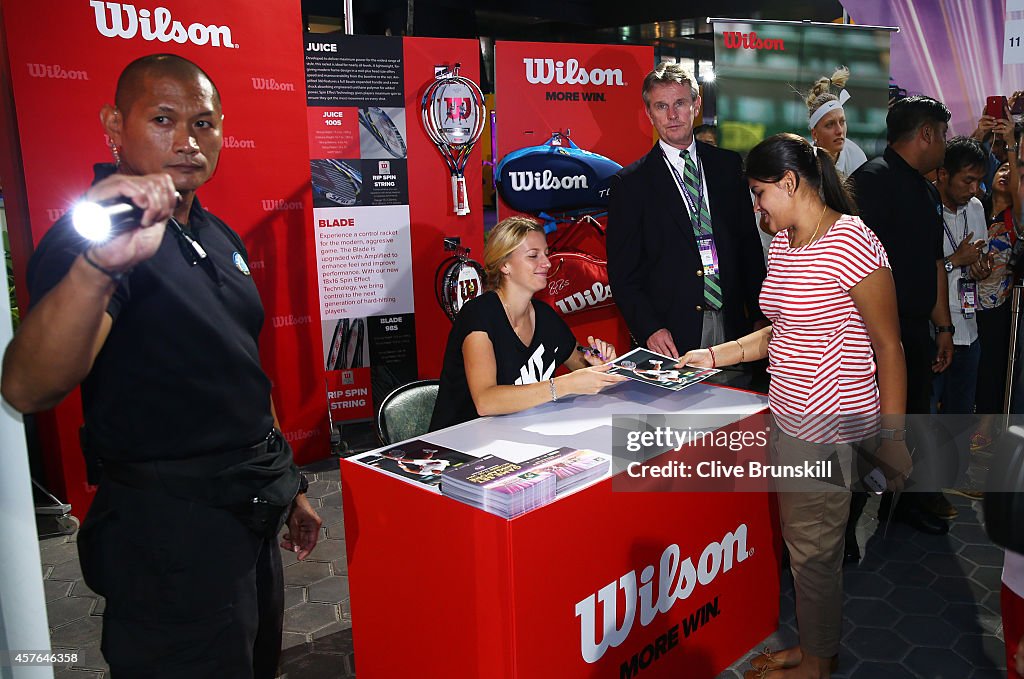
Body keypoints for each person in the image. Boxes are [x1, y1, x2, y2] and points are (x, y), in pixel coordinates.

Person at [0, 54, 321, 678]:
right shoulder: (92, 240)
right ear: (114, 127)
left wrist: (289, 482)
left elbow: (241, 368)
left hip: (247, 512)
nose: (187, 142)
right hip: (168, 540)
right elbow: (28, 386)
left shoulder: (216, 232)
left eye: (203, 124)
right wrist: (100, 270)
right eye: (164, 120)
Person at [680, 133, 911, 679]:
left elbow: (889, 347)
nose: (757, 208)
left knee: (812, 555)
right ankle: (814, 649)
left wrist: (895, 439)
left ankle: (818, 661)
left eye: (761, 194)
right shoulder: (786, 243)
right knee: (805, 546)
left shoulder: (851, 241)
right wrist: (716, 354)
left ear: (791, 183)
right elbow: (779, 330)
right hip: (787, 418)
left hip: (828, 431)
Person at [607, 62, 766, 359]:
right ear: (649, 113)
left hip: (734, 325)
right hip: (671, 334)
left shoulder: (728, 166)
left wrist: (759, 313)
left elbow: (748, 247)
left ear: (696, 104)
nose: (672, 115)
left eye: (679, 103)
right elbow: (622, 274)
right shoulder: (630, 184)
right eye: (661, 106)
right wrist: (649, 328)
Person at [849, 95, 955, 536]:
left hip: (915, 330)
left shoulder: (926, 187)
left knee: (912, 423)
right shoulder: (870, 181)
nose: (946, 143)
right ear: (926, 134)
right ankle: (843, 528)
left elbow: (933, 263)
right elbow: (844, 259)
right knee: (865, 434)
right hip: (871, 335)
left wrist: (943, 326)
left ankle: (904, 506)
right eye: (943, 134)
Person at [429, 216, 625, 431]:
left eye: (546, 254)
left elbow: (582, 363)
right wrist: (564, 385)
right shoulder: (478, 315)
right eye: (533, 256)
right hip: (460, 447)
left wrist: (599, 364)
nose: (547, 263)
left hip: (517, 437)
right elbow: (486, 401)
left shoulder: (545, 316)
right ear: (504, 265)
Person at [930, 137, 989, 498]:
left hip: (969, 324)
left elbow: (976, 258)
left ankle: (956, 477)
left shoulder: (977, 208)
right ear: (942, 174)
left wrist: (979, 267)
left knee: (961, 410)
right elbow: (923, 270)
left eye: (978, 181)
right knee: (927, 412)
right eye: (966, 180)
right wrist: (956, 260)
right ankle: (924, 486)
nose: (973, 188)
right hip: (936, 326)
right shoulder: (924, 208)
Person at [975, 117, 1022, 449]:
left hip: (1000, 308)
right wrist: (981, 135)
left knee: (992, 369)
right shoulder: (975, 209)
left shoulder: (1016, 220)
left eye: (1012, 168)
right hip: (963, 305)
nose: (1005, 171)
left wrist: (1011, 146)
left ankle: (986, 428)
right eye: (1000, 167)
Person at [804, 67, 868, 177]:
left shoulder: (857, 158)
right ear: (815, 134)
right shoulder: (803, 163)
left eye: (842, 122)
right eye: (830, 124)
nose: (839, 131)